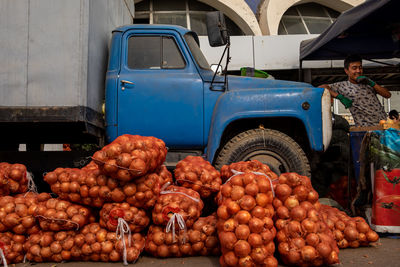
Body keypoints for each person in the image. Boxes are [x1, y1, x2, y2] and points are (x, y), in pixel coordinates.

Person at [319, 55, 391, 127]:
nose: (358, 71)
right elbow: (321, 88)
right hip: (365, 129)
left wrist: (371, 83)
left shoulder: (368, 82)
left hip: (384, 125)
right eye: (354, 68)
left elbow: (387, 95)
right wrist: (339, 97)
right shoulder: (342, 86)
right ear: (346, 71)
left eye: (360, 68)